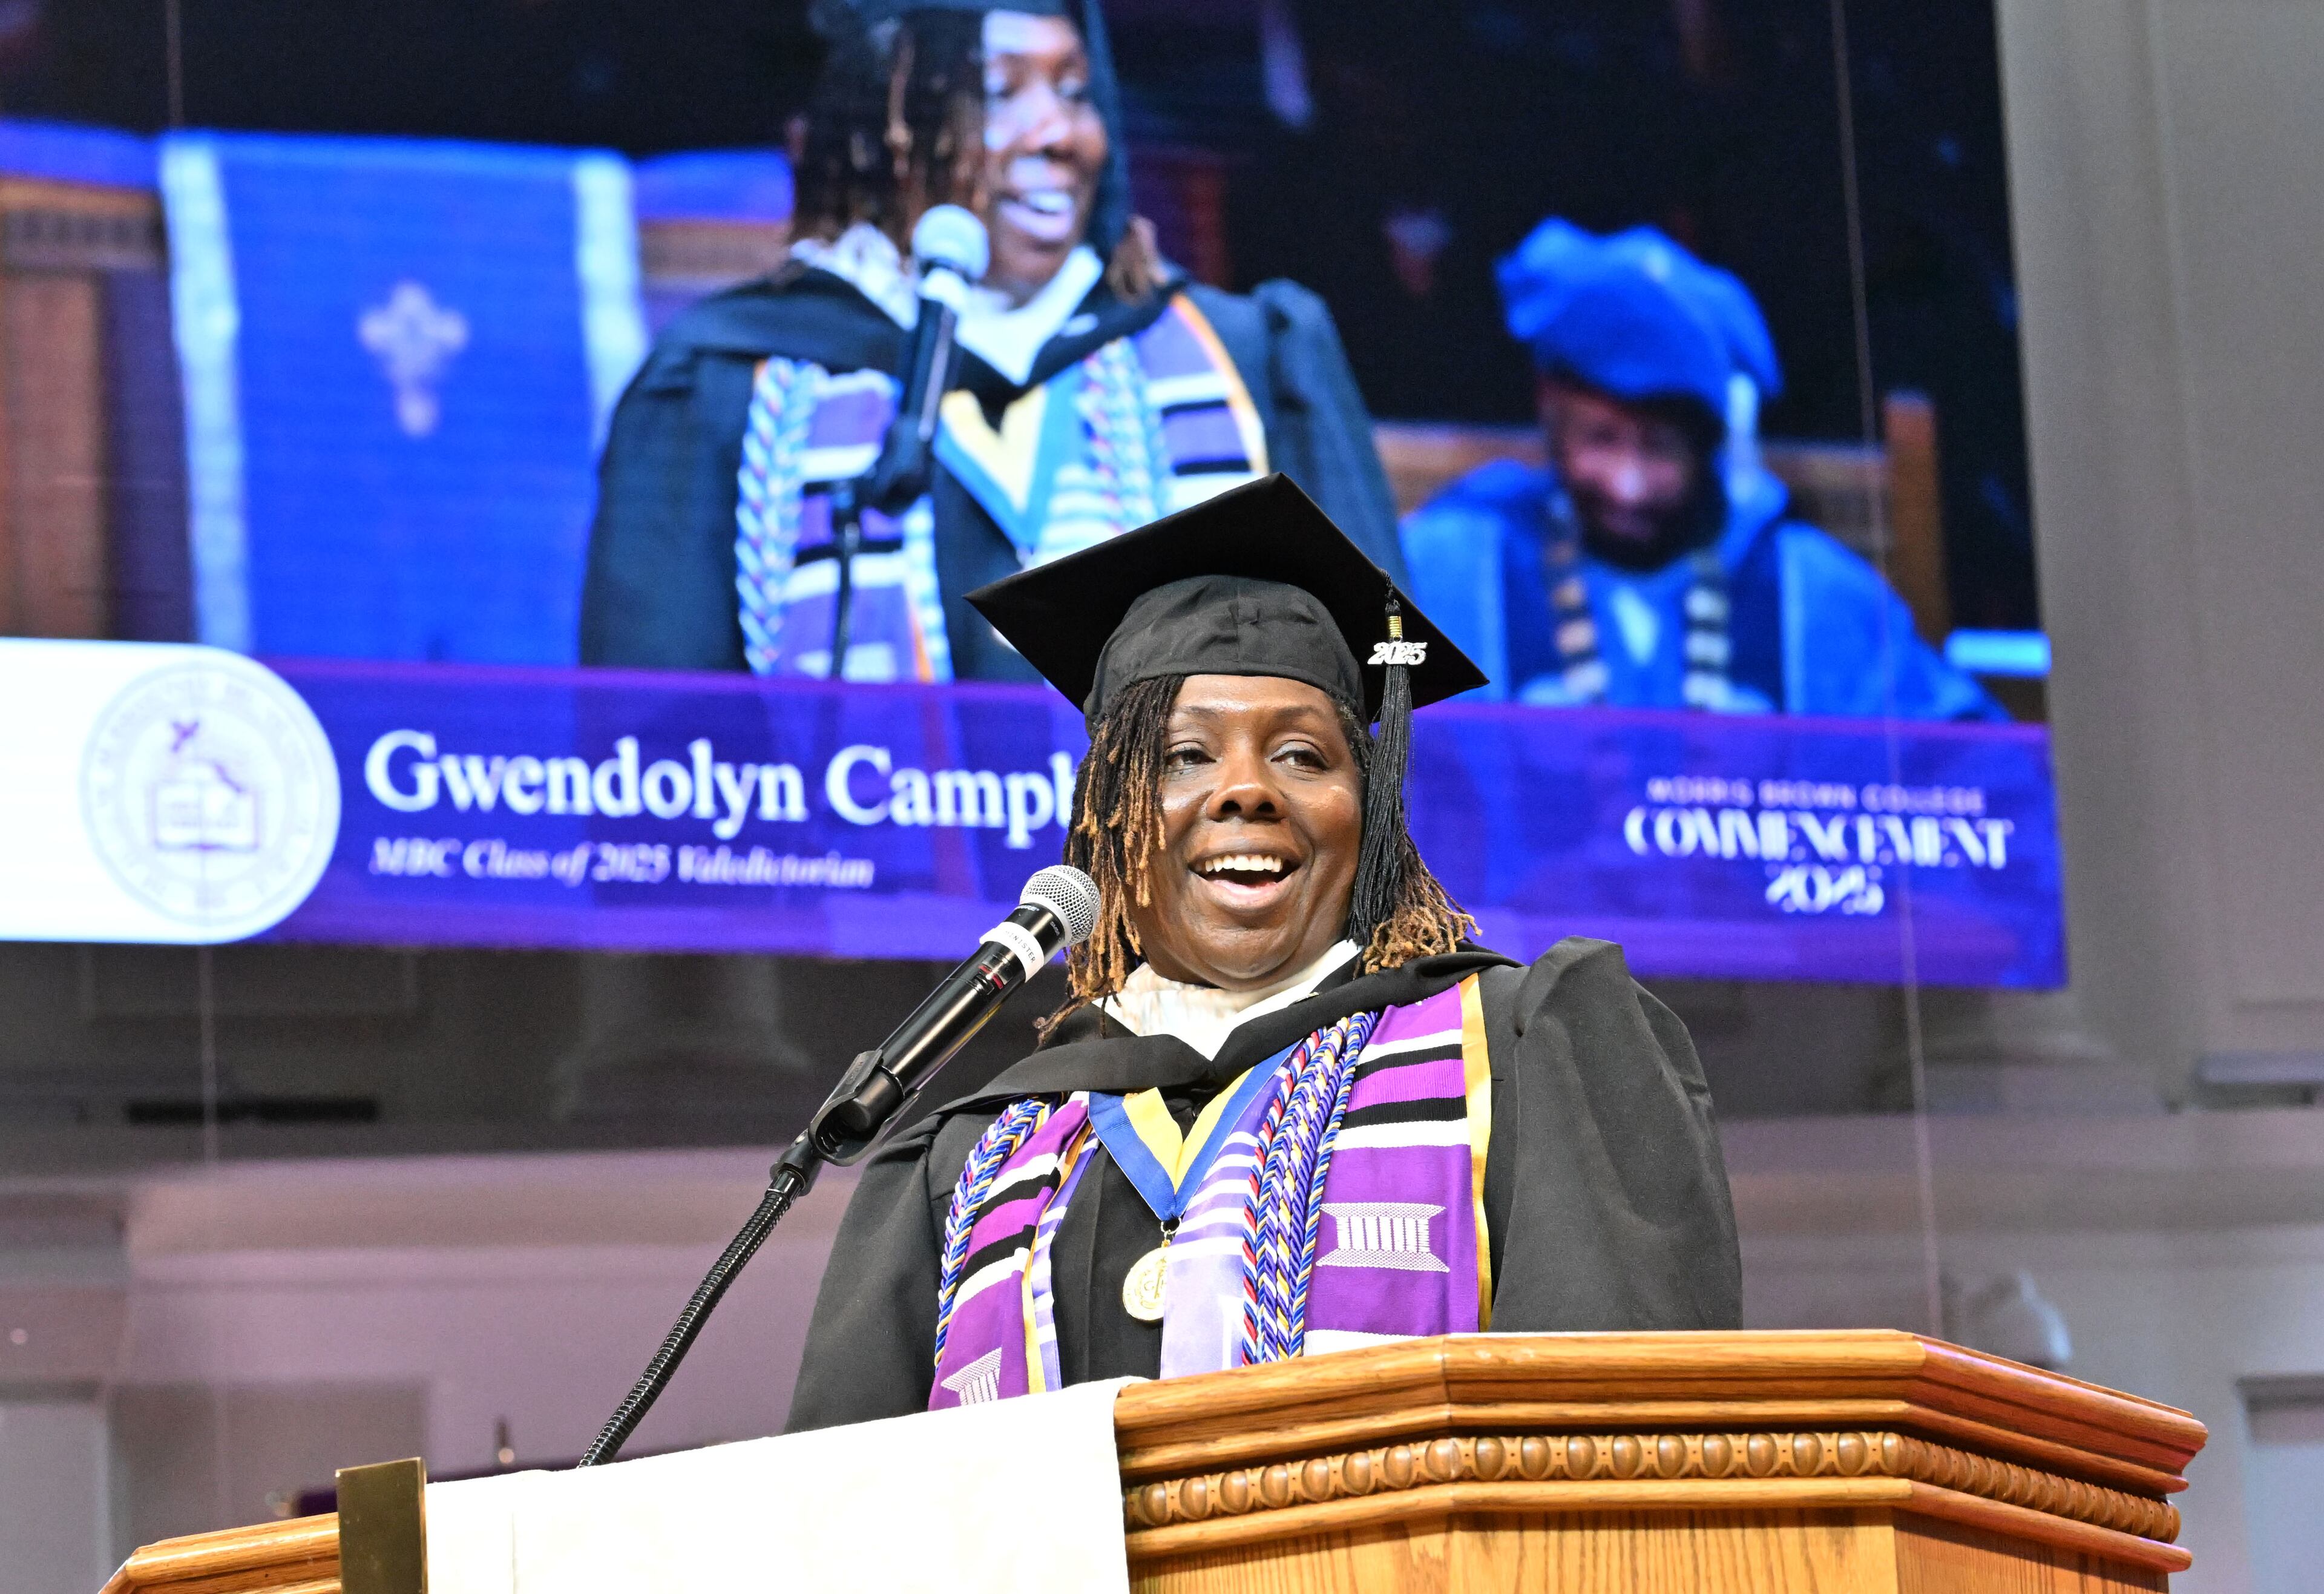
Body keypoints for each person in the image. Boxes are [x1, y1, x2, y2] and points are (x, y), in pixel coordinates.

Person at [786, 473, 1739, 1428]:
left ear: (1371, 812)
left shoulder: (1524, 1054)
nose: (1246, 791)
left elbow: (1622, 1464)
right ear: (1107, 820)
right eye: (1183, 756)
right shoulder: (971, 1160)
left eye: (1302, 756)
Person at [580, 0, 1403, 683]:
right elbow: (662, 771)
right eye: (997, 91)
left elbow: (1382, 704)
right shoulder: (738, 376)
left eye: (1076, 92)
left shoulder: (1240, 356)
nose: (1058, 134)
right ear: (889, 126)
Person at [1400, 219, 2003, 720]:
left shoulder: (1810, 594)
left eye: (1661, 447)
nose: (1628, 486)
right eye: (1600, 439)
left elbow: (1978, 769)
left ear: (1709, 445)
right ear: (1550, 415)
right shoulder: (1450, 569)